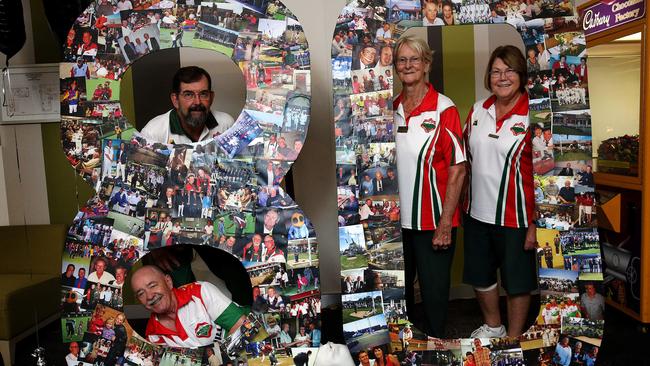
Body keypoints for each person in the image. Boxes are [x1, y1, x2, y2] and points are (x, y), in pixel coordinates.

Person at [393, 35, 465, 337]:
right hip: (395, 223)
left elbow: (458, 168)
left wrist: (446, 222)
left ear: (426, 65)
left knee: (434, 295)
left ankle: (436, 346)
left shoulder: (444, 109)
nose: (408, 65)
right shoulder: (390, 107)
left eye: (414, 59)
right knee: (399, 293)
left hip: (433, 220)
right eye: (402, 60)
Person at [463, 45, 537, 338]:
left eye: (509, 70)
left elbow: (544, 175)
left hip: (516, 217)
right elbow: (463, 159)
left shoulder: (534, 113)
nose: (502, 77)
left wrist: (535, 222)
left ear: (521, 74)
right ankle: (494, 327)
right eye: (496, 71)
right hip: (476, 213)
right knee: (480, 276)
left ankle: (514, 337)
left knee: (517, 282)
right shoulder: (478, 109)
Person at [130, 265, 247, 347]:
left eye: (152, 285)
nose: (149, 296)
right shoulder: (152, 336)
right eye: (141, 293)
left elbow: (241, 325)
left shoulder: (200, 291)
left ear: (168, 282)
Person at [140, 66, 234, 144]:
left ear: (211, 98)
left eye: (203, 94)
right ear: (175, 100)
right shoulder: (153, 134)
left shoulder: (226, 125)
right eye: (188, 95)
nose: (197, 102)